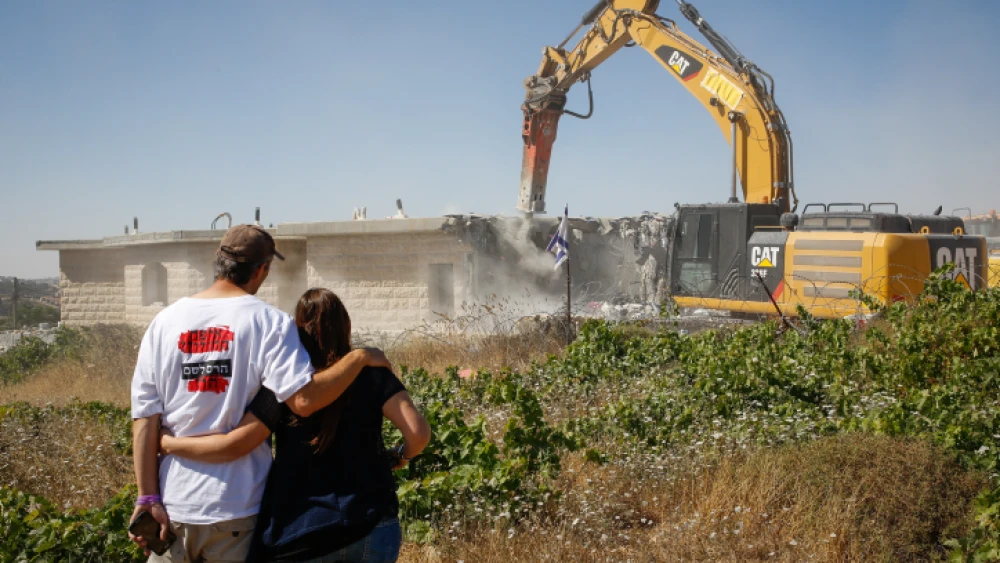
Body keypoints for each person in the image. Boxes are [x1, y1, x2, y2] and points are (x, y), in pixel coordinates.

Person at [129, 225, 392, 561]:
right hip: (238, 508)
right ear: (263, 270)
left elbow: (144, 418)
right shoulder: (270, 322)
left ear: (217, 260)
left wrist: (147, 499)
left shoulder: (163, 323)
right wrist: (360, 356)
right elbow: (304, 400)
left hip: (173, 508)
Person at [159, 288, 432, 562]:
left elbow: (238, 442)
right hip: (371, 524)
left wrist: (169, 443)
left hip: (302, 531)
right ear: (346, 325)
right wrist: (401, 455)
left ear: (297, 331)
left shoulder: (283, 388)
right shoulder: (373, 375)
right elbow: (418, 433)